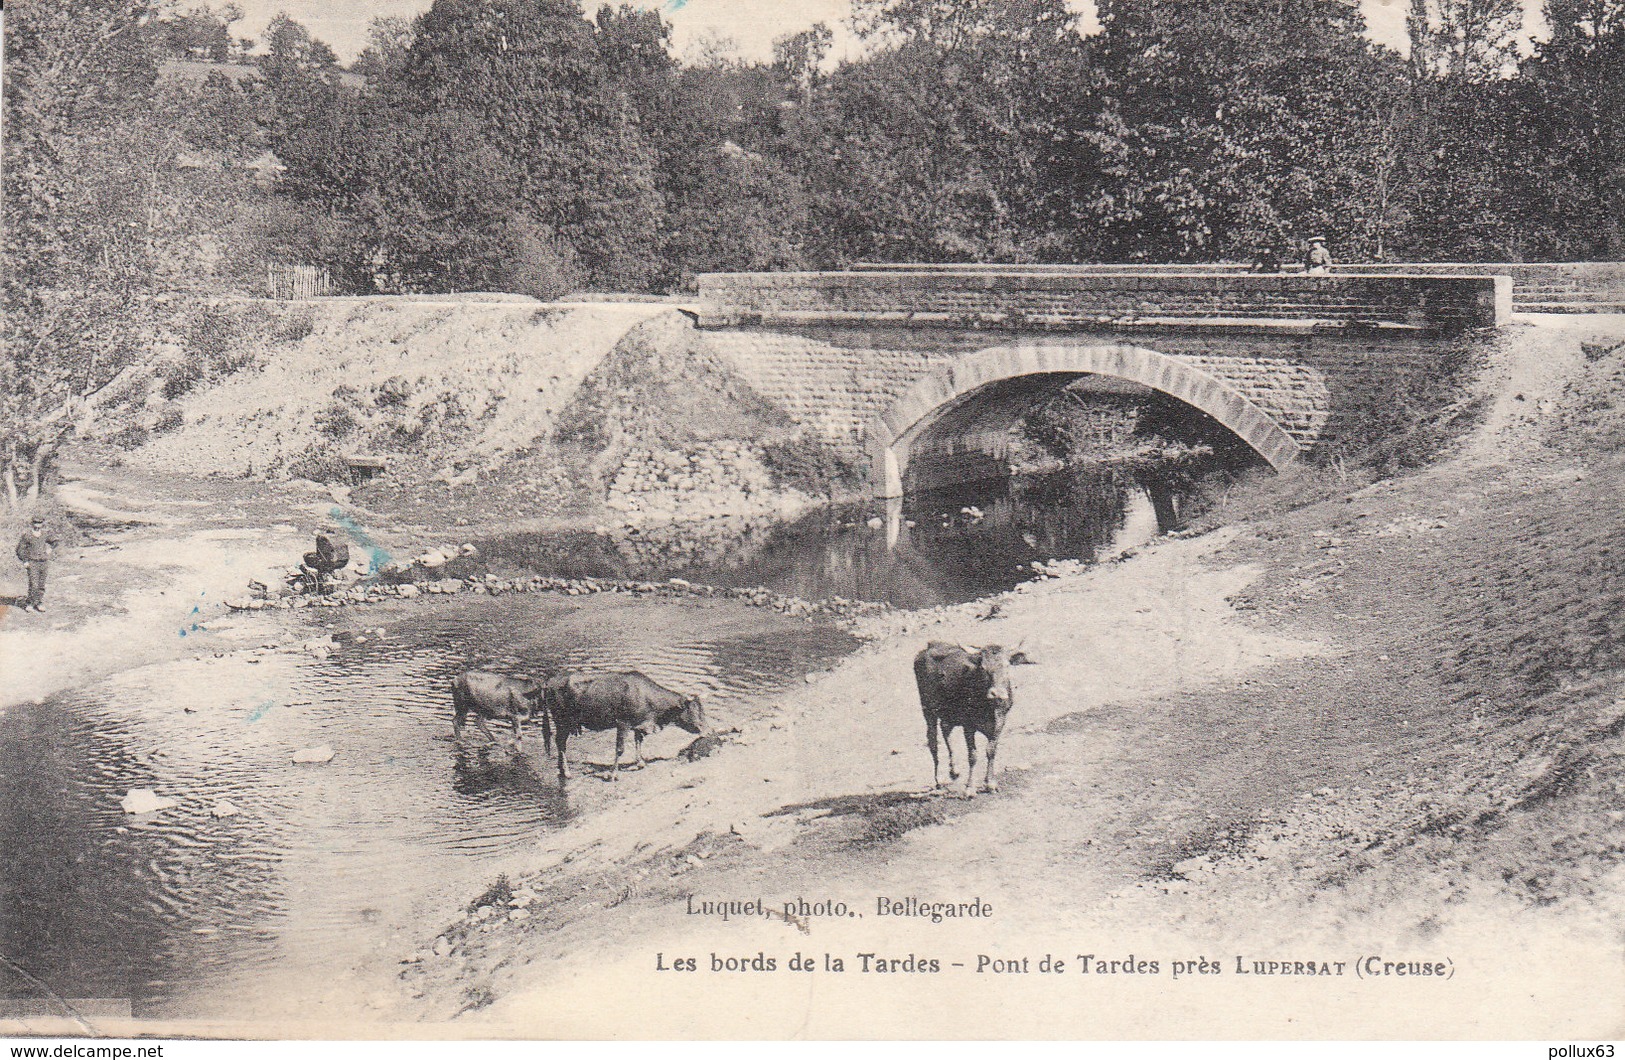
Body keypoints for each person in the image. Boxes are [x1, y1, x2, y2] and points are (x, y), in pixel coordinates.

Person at [15, 515, 59, 613]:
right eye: (35, 523)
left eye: (39, 523)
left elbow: (55, 541)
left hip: (43, 562)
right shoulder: (27, 535)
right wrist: (25, 561)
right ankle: (30, 603)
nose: (37, 525)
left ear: (42, 524)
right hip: (32, 562)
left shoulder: (44, 534)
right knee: (34, 584)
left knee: (41, 584)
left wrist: (50, 549)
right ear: (32, 524)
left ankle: (39, 602)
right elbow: (20, 550)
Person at [302, 525, 350, 595]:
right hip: (343, 563)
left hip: (330, 563)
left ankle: (322, 577)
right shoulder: (340, 538)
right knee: (326, 558)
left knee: (308, 557)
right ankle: (331, 574)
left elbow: (320, 553)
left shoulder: (321, 537)